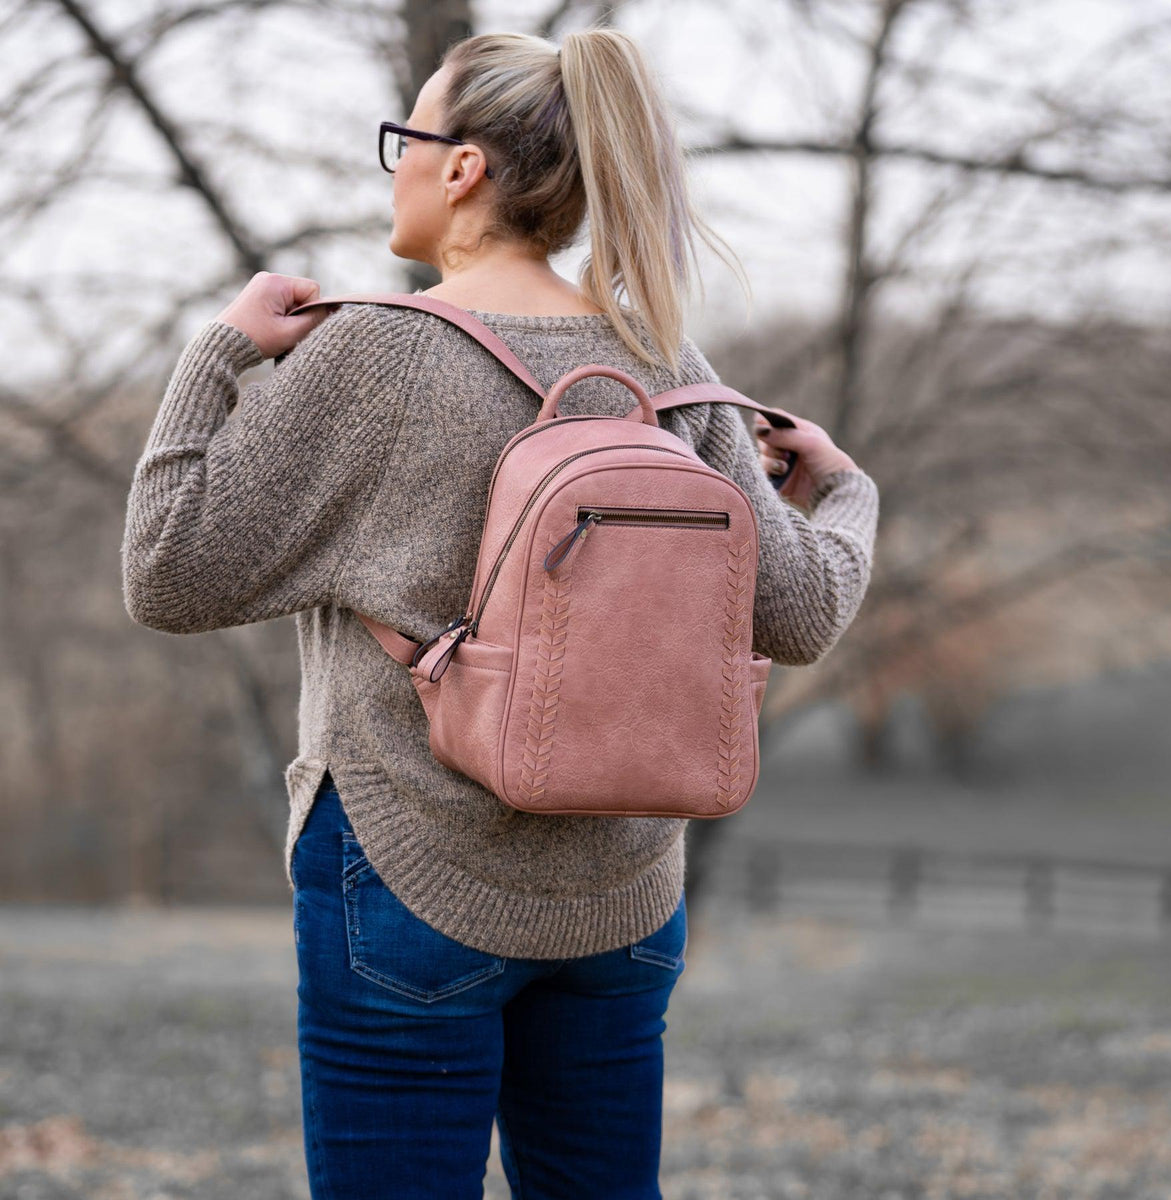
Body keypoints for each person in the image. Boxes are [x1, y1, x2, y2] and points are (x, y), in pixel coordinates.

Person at [121, 25, 879, 1200]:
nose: (400, 168)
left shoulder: (377, 354)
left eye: (406, 141)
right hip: (622, 895)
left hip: (409, 870)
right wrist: (842, 489)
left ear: (462, 167)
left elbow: (167, 571)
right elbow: (804, 609)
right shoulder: (665, 363)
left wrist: (220, 353)